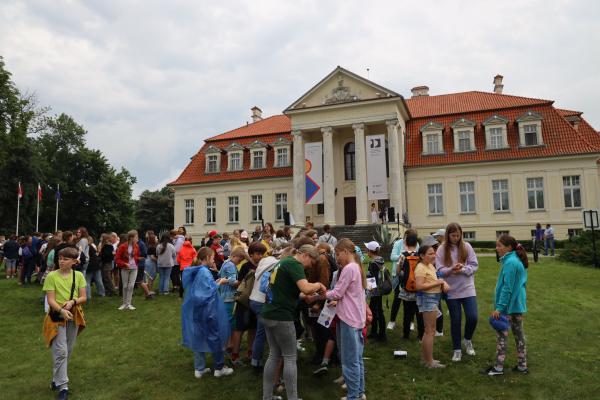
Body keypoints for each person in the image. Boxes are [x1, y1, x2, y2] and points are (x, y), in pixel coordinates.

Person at [261, 244, 325, 400]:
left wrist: (305, 296)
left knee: (274, 355)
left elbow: (286, 290)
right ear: (305, 255)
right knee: (290, 357)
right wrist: (319, 285)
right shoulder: (295, 264)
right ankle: (293, 398)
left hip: (268, 313)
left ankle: (267, 397)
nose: (310, 267)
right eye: (311, 262)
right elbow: (306, 287)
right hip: (282, 316)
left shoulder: (283, 262)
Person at [181, 247, 234, 378]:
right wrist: (220, 282)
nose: (213, 260)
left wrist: (214, 283)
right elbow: (207, 292)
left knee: (199, 336)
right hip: (208, 310)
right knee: (215, 337)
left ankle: (199, 369)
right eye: (212, 257)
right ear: (206, 258)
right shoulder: (204, 271)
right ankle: (219, 368)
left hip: (198, 310)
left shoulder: (198, 270)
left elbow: (201, 288)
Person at [42, 246, 87, 400]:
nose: (61, 261)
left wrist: (72, 302)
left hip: (74, 314)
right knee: (61, 351)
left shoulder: (79, 275)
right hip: (56, 316)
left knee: (68, 349)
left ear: (74, 261)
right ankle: (63, 387)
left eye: (65, 259)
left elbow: (83, 297)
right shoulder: (51, 276)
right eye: (60, 258)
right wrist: (61, 310)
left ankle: (55, 379)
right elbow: (51, 300)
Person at [326, 239, 367, 400]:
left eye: (337, 254)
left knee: (350, 361)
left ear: (345, 251)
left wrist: (322, 293)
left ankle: (353, 396)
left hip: (349, 319)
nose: (336, 258)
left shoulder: (349, 268)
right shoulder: (355, 267)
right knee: (356, 359)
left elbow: (337, 292)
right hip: (355, 318)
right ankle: (359, 392)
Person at [485, 235, 529, 376]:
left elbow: (507, 288)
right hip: (517, 305)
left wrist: (500, 308)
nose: (496, 248)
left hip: (508, 307)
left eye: (499, 245)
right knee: (519, 335)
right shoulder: (515, 259)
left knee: (502, 337)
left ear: (509, 247)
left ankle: (498, 368)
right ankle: (522, 366)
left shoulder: (510, 262)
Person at [435, 222, 479, 362]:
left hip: (467, 288)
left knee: (473, 317)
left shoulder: (467, 247)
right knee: (456, 319)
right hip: (451, 290)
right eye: (453, 235)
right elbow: (439, 270)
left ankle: (467, 340)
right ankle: (457, 350)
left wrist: (463, 269)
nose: (456, 238)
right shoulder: (441, 249)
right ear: (448, 235)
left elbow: (474, 265)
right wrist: (451, 269)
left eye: (458, 235)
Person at [231, 242, 266, 366]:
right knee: (239, 328)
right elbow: (240, 283)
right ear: (251, 254)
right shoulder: (246, 266)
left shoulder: (263, 265)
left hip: (256, 301)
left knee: (253, 328)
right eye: (257, 254)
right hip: (244, 302)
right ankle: (235, 354)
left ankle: (250, 351)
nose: (260, 256)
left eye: (262, 253)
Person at [415, 245, 450, 368]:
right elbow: (419, 286)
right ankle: (429, 362)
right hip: (428, 299)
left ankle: (425, 359)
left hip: (433, 298)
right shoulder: (420, 268)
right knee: (429, 331)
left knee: (430, 330)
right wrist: (438, 282)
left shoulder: (430, 265)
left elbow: (436, 279)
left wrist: (443, 284)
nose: (433, 255)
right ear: (422, 256)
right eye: (430, 254)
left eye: (434, 253)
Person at [388, 228, 418, 330]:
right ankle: (392, 321)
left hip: (412, 276)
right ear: (405, 236)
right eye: (407, 237)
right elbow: (392, 257)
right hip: (398, 275)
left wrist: (409, 255)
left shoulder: (416, 244)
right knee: (397, 299)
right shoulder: (398, 243)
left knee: (413, 300)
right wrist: (405, 255)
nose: (407, 239)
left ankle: (411, 322)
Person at [365, 241, 388, 342]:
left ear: (370, 251)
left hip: (375, 291)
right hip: (380, 289)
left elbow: (371, 279)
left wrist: (368, 293)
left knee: (376, 312)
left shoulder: (373, 263)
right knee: (377, 311)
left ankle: (381, 335)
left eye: (367, 250)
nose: (366, 252)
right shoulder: (380, 260)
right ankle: (376, 332)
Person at [115, 230, 142, 310]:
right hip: (125, 268)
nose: (137, 238)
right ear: (131, 238)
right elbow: (117, 259)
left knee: (131, 286)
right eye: (136, 237)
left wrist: (138, 259)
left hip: (134, 268)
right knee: (125, 286)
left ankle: (129, 304)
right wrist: (124, 264)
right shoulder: (123, 246)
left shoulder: (136, 246)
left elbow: (136, 257)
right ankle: (124, 304)